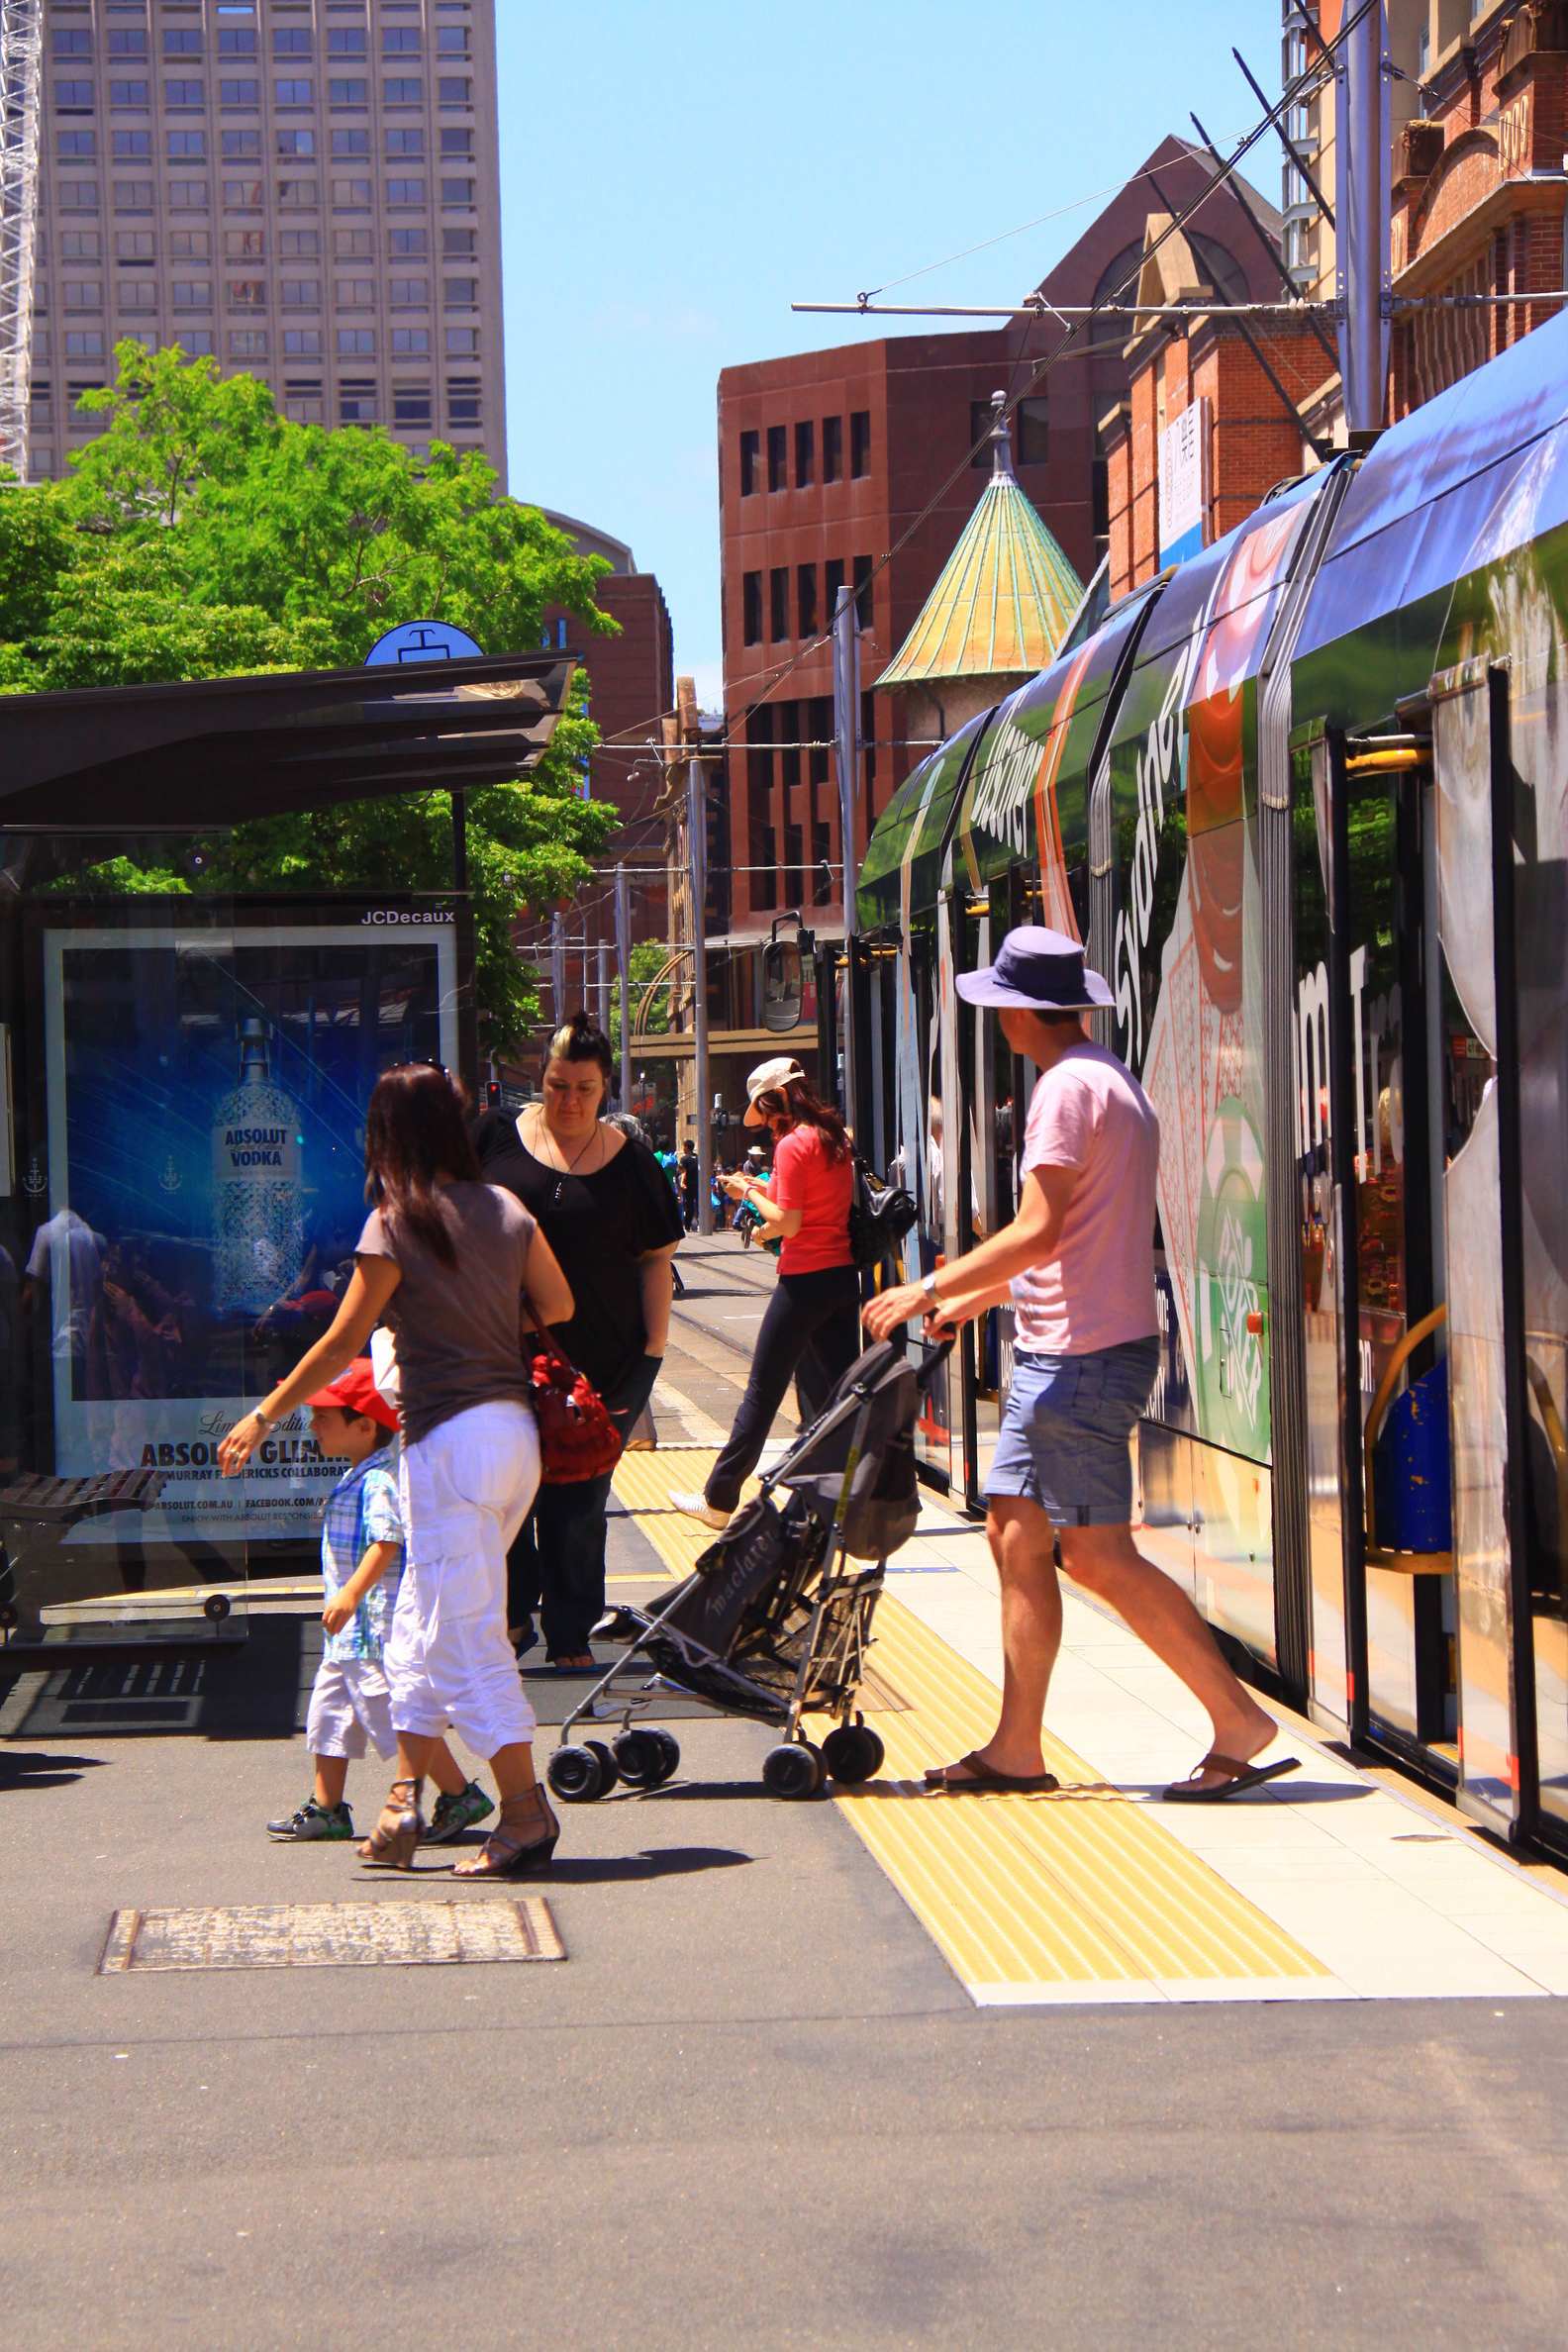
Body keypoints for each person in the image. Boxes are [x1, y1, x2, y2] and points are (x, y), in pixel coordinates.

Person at [864, 928, 1296, 1802]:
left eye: (1003, 1009)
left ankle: (1238, 1721)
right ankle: (1016, 1748)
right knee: (1016, 1536)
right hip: (1071, 1349)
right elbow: (1078, 1241)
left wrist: (928, 1288)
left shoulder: (1065, 1093)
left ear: (1024, 1011)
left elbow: (1040, 1230)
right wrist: (975, 1303)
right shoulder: (1110, 1081)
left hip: (1081, 1360)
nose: (998, 1024)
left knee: (1095, 1555)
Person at [220, 1063, 575, 1876]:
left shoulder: (395, 1222)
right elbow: (556, 1306)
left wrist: (265, 1412)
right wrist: (484, 1309)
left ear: (389, 1136)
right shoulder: (507, 1208)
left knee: (467, 1640)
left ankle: (525, 1813)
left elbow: (342, 1343)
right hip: (510, 1439)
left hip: (447, 1446)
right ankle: (402, 1808)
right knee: (417, 1628)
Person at [474, 1013, 683, 1670]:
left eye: (584, 1089)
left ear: (606, 1091)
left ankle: (569, 1631)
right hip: (502, 1357)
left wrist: (652, 1350)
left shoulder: (632, 1163)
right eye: (558, 1084)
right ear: (541, 1079)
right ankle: (510, 1618)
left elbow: (656, 1258)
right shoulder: (493, 1141)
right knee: (505, 1496)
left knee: (580, 1505)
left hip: (604, 1363)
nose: (568, 1100)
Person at [266, 1358, 490, 1847]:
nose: (313, 1426)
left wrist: (349, 1593)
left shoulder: (379, 1481)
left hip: (372, 1627)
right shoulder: (360, 1473)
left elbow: (385, 1542)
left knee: (395, 1716)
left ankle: (458, 1794)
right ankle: (326, 1808)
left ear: (365, 1425)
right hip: (348, 1632)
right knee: (329, 1716)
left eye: (325, 1417)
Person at [672, 1056, 859, 1530]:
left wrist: (746, 1194)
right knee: (831, 1396)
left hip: (803, 1281)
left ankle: (718, 1498)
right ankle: (839, 1498)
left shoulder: (794, 1144)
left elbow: (789, 1221)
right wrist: (761, 1191)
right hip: (840, 1278)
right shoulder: (836, 1136)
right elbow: (808, 1203)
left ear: (771, 1103)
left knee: (763, 1391)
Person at [678, 1138, 701, 1231]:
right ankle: (700, 1224)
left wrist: (681, 1182)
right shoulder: (698, 1157)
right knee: (699, 1205)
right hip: (699, 1185)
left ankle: (687, 1226)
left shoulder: (684, 1159)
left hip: (688, 1186)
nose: (683, 1148)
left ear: (687, 1147)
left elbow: (683, 1172)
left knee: (689, 1206)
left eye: (683, 1146)